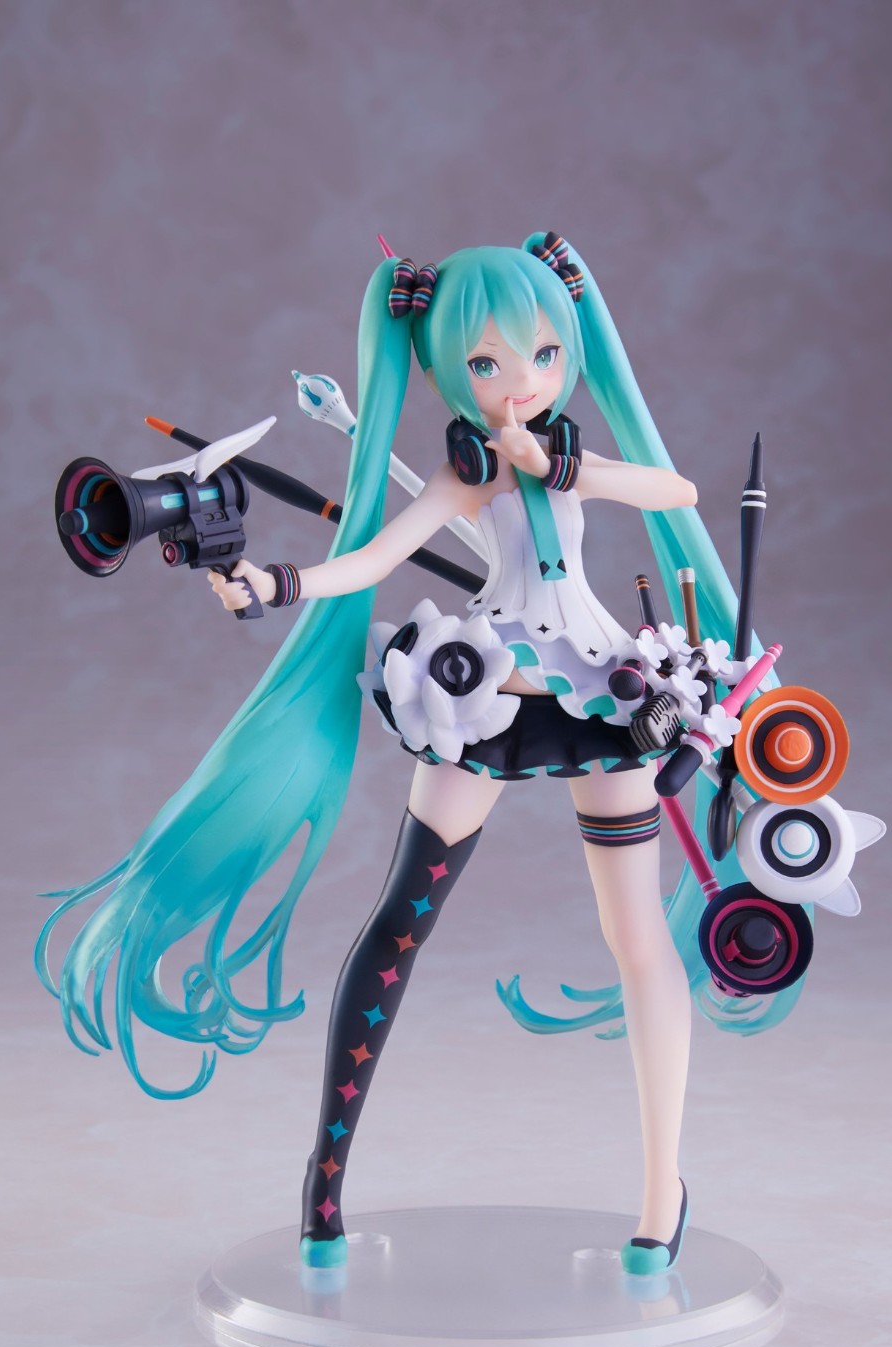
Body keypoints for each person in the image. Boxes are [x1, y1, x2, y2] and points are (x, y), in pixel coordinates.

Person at [37, 233, 755, 1276]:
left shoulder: (563, 457)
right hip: (480, 695)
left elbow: (676, 492)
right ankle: (325, 1184)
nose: (520, 382)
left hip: (609, 695)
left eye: (543, 355)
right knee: (399, 922)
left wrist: (565, 465)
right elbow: (371, 554)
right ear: (443, 371)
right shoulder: (466, 477)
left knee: (637, 937)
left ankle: (660, 1196)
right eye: (486, 363)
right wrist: (277, 584)